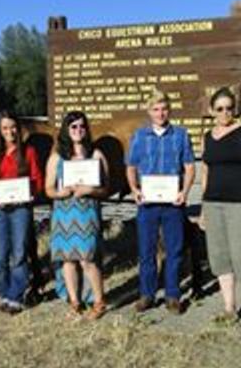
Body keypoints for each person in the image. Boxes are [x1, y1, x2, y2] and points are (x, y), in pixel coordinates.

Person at [126, 89, 195, 314]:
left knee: (174, 250)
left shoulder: (181, 135)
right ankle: (147, 294)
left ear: (169, 110)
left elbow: (189, 166)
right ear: (149, 111)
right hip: (147, 204)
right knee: (146, 251)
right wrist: (134, 189)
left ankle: (172, 295)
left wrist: (184, 191)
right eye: (156, 109)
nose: (160, 113)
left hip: (173, 202)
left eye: (164, 108)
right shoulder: (139, 136)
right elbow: (131, 166)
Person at [45, 111, 109, 319]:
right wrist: (59, 192)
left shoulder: (96, 155)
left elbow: (107, 188)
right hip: (63, 214)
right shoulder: (57, 157)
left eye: (81, 126)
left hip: (87, 214)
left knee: (88, 259)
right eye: (73, 126)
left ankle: (99, 302)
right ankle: (75, 302)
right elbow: (48, 188)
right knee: (68, 260)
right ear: (66, 129)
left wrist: (91, 190)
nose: (78, 130)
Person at [0, 110, 43, 314]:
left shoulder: (28, 152)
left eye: (13, 127)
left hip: (20, 210)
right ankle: (5, 291)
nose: (10, 131)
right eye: (5, 128)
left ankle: (15, 295)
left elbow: (36, 178)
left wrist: (32, 193)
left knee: (19, 252)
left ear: (19, 128)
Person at [201, 87, 241, 321]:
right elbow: (205, 170)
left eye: (229, 108)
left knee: (239, 255)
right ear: (212, 111)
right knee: (220, 257)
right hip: (214, 204)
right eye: (220, 109)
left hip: (238, 204)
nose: (225, 113)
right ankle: (229, 309)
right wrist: (205, 207)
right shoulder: (208, 136)